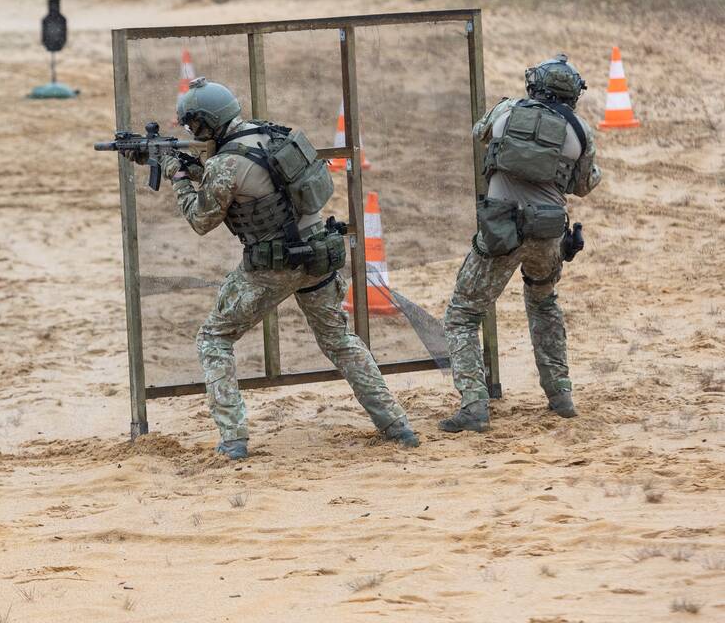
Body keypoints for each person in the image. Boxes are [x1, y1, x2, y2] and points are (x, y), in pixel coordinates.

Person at [155, 77, 419, 460]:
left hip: (274, 264)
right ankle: (396, 425)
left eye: (194, 125)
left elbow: (201, 219)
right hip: (319, 253)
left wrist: (179, 177)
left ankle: (233, 440)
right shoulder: (271, 135)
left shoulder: (226, 163)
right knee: (341, 343)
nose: (191, 132)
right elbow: (258, 184)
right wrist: (196, 170)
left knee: (213, 338)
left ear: (208, 123)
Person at [440, 54, 602, 433]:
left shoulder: (507, 110)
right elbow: (583, 185)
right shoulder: (579, 131)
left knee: (463, 314)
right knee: (544, 304)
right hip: (547, 232)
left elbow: (478, 133)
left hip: (500, 230)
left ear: (535, 85)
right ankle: (560, 395)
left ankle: (474, 406)